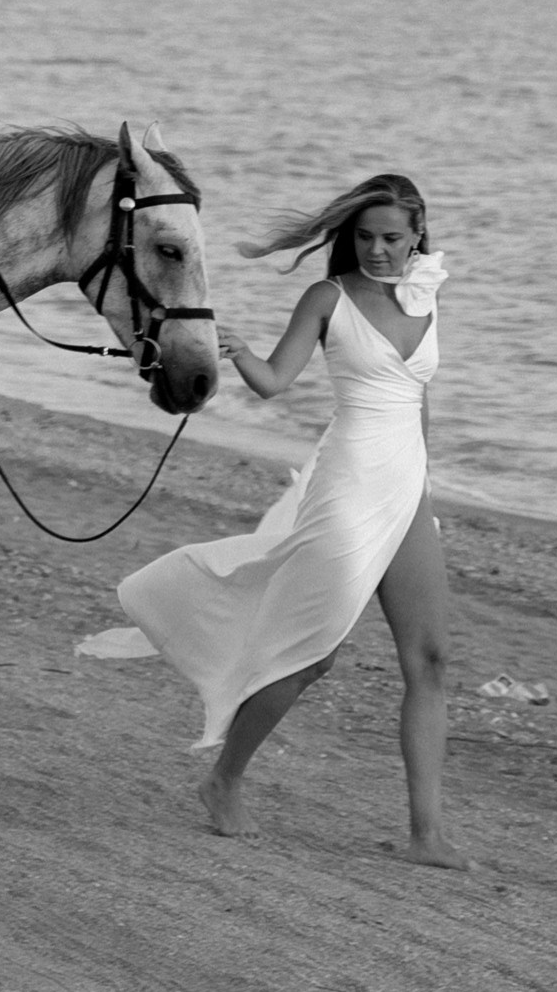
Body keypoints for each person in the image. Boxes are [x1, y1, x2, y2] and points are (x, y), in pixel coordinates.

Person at [82, 173, 468, 864]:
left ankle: (426, 835)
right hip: (348, 487)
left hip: (408, 491)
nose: (377, 249)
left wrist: (425, 487)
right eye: (364, 237)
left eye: (390, 237)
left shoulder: (426, 293)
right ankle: (224, 779)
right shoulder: (328, 297)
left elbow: (418, 397)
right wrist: (234, 350)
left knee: (430, 660)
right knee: (312, 653)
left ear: (417, 234)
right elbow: (273, 383)